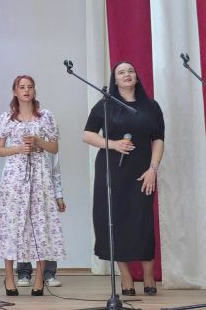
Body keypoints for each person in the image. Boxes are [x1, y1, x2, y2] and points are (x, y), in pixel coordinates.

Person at [83, 61, 164, 296]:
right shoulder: (105, 104)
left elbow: (158, 139)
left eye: (131, 71)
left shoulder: (151, 106)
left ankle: (149, 276)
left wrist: (153, 168)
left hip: (143, 173)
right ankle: (126, 278)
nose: (127, 74)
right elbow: (87, 134)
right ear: (115, 80)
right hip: (112, 171)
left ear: (136, 77)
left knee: (143, 223)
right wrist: (113, 144)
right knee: (115, 221)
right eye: (121, 72)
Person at [0, 75, 65, 297]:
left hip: (40, 176)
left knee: (41, 224)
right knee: (11, 225)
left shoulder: (45, 116)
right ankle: (9, 277)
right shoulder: (7, 117)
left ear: (34, 90)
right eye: (22, 87)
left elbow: (54, 148)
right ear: (15, 91)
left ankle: (40, 279)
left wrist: (38, 142)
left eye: (30, 87)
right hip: (14, 178)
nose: (26, 90)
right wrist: (18, 149)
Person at [15, 152, 67, 288]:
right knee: (24, 230)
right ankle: (23, 272)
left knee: (47, 232)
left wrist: (59, 196)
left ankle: (48, 273)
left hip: (45, 192)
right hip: (23, 191)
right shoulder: (19, 138)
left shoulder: (51, 141)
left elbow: (55, 170)